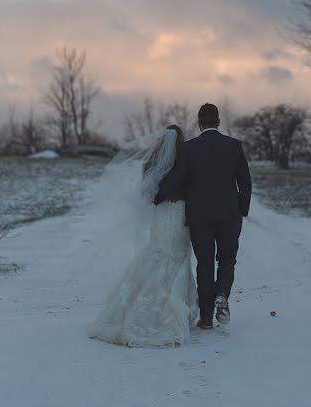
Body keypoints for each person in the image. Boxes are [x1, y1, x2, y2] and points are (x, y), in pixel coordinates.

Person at [88, 125, 198, 347]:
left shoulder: (150, 163)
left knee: (157, 252)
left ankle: (132, 306)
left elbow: (145, 194)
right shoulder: (185, 162)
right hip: (179, 214)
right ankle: (173, 311)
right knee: (177, 255)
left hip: (159, 215)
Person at [154, 103, 252, 330]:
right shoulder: (234, 146)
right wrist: (242, 209)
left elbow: (178, 179)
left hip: (199, 216)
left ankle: (206, 316)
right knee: (227, 259)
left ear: (199, 124)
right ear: (218, 122)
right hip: (229, 215)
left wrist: (157, 197)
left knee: (205, 263)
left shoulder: (189, 149)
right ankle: (222, 294)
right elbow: (245, 182)